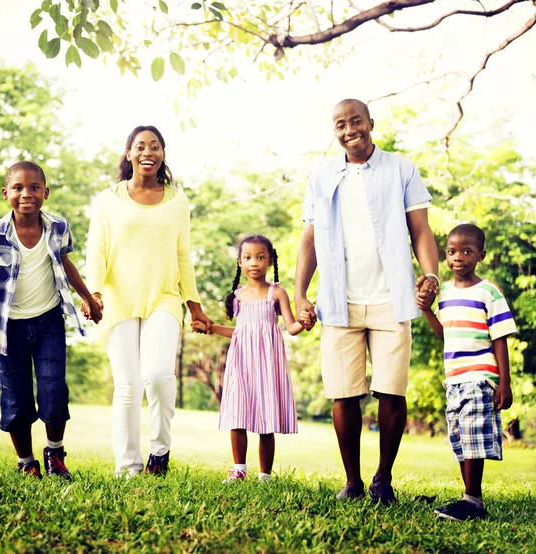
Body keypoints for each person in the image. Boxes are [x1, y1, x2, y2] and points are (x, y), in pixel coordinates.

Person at [294, 98, 439, 503]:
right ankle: (353, 482)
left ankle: (383, 480)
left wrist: (430, 274)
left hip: (392, 297)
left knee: (392, 390)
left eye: (355, 121)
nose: (348, 129)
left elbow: (421, 230)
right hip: (339, 300)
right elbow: (309, 240)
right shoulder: (321, 177)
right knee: (344, 393)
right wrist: (300, 292)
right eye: (340, 124)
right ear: (334, 130)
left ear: (370, 123)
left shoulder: (400, 168)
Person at [84, 125, 213, 478]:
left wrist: (194, 304)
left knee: (156, 375)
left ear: (163, 154)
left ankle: (160, 452)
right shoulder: (108, 199)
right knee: (127, 384)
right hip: (118, 300)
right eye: (140, 146)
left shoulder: (177, 200)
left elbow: (183, 254)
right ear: (128, 154)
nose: (147, 152)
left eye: (155, 146)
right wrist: (93, 293)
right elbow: (96, 250)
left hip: (164, 298)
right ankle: (128, 466)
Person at [0, 161, 102, 480]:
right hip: (7, 331)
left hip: (49, 324)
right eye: (17, 188)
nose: (26, 194)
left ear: (46, 192)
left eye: (33, 187)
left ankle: (55, 454)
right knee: (15, 399)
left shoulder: (57, 227)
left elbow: (66, 264)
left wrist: (87, 296)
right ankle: (27, 462)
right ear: (6, 194)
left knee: (54, 392)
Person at [417, 223, 516, 521]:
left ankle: (472, 500)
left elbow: (500, 338)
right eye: (451, 252)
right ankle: (470, 499)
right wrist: (426, 310)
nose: (457, 257)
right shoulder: (444, 292)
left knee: (473, 437)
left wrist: (504, 383)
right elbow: (443, 333)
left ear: (480, 255)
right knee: (461, 441)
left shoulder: (489, 292)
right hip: (454, 380)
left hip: (480, 376)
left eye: (466, 251)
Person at [192, 235, 310, 482]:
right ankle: (239, 469)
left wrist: (306, 321)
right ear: (239, 262)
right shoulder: (238, 295)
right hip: (241, 361)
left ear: (270, 261)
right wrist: (210, 328)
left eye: (260, 257)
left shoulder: (277, 293)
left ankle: (265, 475)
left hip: (268, 362)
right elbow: (240, 331)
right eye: (247, 258)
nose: (253, 262)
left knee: (266, 417)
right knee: (237, 413)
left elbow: (291, 327)